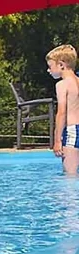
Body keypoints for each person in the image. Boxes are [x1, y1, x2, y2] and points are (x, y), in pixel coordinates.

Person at [47, 44, 79, 175]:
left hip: (72, 131)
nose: (48, 70)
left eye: (50, 66)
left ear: (61, 65)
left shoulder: (62, 84)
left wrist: (57, 140)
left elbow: (61, 113)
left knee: (70, 175)